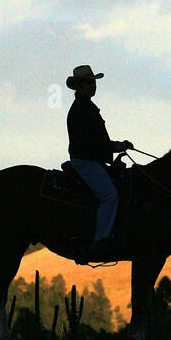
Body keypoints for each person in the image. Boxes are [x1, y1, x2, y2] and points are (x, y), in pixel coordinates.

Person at [65, 64, 133, 258]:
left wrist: (115, 145)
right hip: (85, 161)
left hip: (89, 160)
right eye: (88, 82)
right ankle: (100, 240)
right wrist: (115, 147)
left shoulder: (85, 107)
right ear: (79, 86)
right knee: (110, 196)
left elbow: (96, 141)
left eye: (93, 82)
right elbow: (92, 142)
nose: (93, 85)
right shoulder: (82, 109)